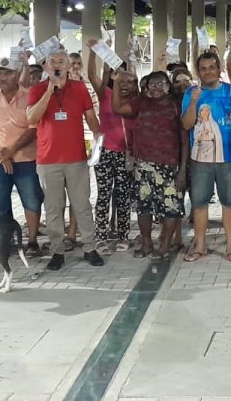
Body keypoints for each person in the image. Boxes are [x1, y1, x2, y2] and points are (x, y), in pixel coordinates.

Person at [27, 50, 105, 269]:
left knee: (82, 205)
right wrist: (49, 91)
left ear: (69, 66)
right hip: (48, 159)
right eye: (52, 62)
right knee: (53, 207)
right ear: (46, 66)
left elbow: (91, 117)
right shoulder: (37, 89)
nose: (57, 65)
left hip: (76, 158)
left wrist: (98, 139)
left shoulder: (79, 88)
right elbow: (31, 118)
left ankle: (89, 248)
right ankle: (57, 251)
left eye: (62, 62)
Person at [114, 69, 187, 259]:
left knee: (171, 208)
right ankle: (147, 244)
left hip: (169, 166)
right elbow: (118, 109)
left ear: (168, 86)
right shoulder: (141, 102)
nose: (155, 88)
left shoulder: (176, 105)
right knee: (143, 207)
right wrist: (116, 81)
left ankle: (164, 245)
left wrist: (183, 171)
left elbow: (185, 140)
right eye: (152, 84)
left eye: (160, 84)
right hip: (143, 165)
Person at [0, 57, 42, 252]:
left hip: (26, 159)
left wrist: (10, 151)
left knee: (32, 200)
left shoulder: (30, 96)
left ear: (17, 74)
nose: (2, 77)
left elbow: (33, 129)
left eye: (8, 73)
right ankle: (2, 241)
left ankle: (32, 241)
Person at [182, 51, 231, 262]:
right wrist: (193, 102)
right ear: (198, 72)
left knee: (229, 203)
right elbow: (186, 125)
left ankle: (230, 247)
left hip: (228, 158)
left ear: (219, 69)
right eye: (203, 68)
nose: (208, 72)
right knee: (199, 203)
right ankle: (200, 246)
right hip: (200, 160)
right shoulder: (191, 93)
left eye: (212, 67)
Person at [86, 41, 137, 251]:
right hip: (105, 152)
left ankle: (124, 235)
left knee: (124, 196)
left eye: (129, 81)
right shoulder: (105, 94)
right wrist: (94, 53)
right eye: (120, 80)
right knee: (104, 195)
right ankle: (101, 235)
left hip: (127, 154)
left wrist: (131, 57)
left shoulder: (137, 100)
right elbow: (92, 75)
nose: (124, 84)